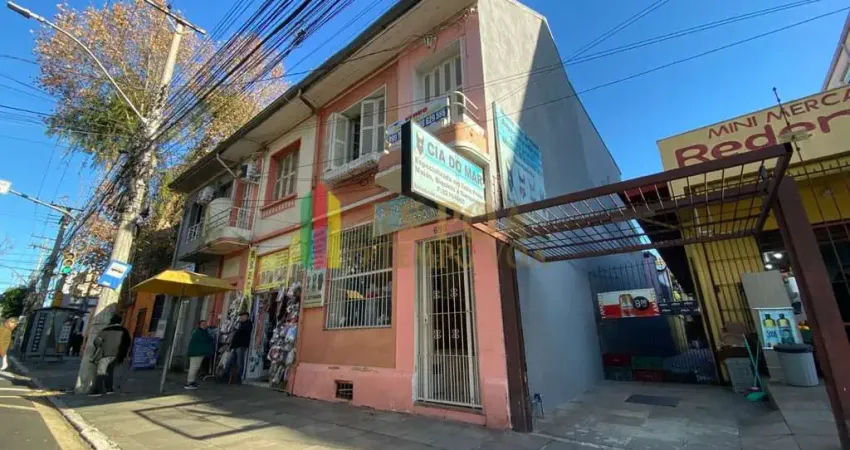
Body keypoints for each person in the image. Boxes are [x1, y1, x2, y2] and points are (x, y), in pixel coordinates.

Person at [90, 314, 131, 395]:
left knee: (101, 371)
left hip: (105, 353)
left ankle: (97, 390)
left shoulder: (105, 330)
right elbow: (128, 343)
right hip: (117, 354)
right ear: (120, 321)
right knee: (110, 371)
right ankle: (109, 389)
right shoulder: (124, 331)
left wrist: (100, 346)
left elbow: (97, 341)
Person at [223, 312, 252, 383]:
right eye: (241, 316)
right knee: (229, 361)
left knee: (239, 363)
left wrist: (237, 329)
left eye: (243, 316)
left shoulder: (248, 324)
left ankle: (238, 378)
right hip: (235, 346)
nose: (241, 318)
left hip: (241, 346)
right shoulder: (240, 324)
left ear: (247, 317)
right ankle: (226, 376)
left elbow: (241, 333)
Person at [185, 320, 214, 390]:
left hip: (198, 352)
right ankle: (189, 382)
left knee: (196, 367)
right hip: (196, 353)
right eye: (203, 324)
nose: (205, 325)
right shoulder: (199, 332)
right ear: (199, 325)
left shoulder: (201, 332)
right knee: (194, 367)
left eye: (205, 324)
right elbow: (206, 339)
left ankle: (192, 381)